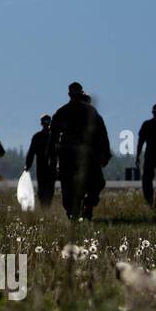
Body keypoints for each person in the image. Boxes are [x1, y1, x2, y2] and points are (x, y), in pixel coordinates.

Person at [48, 82, 112, 221]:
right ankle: (77, 211)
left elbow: (102, 134)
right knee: (70, 188)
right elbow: (53, 137)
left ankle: (85, 207)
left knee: (95, 183)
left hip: (83, 155)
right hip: (73, 155)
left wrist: (105, 153)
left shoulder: (68, 112)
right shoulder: (67, 112)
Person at [24, 115, 57, 209]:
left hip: (49, 167)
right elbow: (31, 153)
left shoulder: (49, 136)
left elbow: (31, 153)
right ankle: (45, 207)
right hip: (44, 167)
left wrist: (27, 165)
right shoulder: (39, 137)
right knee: (44, 189)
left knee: (47, 189)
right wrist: (27, 165)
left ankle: (45, 207)